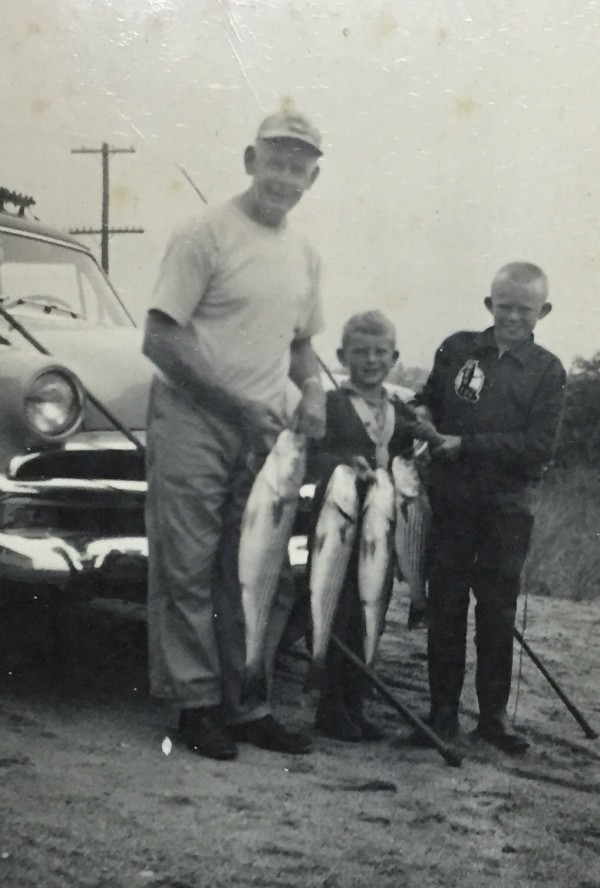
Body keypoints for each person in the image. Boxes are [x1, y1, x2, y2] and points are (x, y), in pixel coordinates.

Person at [142, 110, 327, 761]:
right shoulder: (204, 232)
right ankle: (196, 706)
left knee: (256, 570)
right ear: (251, 161)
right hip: (194, 418)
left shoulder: (305, 255)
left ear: (312, 177)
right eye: (275, 161)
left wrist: (315, 392)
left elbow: (300, 347)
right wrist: (236, 407)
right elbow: (159, 338)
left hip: (264, 434)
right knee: (187, 565)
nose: (285, 177)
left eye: (299, 166)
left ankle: (247, 704)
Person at [411, 262, 566, 753]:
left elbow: (538, 445)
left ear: (543, 311)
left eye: (525, 309)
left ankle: (494, 718)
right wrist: (422, 415)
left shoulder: (548, 370)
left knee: (497, 610)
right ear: (489, 304)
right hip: (450, 501)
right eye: (505, 306)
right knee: (446, 603)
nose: (513, 317)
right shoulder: (456, 348)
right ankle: (442, 712)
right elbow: (428, 400)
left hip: (507, 508)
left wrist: (467, 445)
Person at [306, 310, 428, 742]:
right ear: (342, 357)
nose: (371, 360)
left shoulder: (399, 410)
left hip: (381, 529)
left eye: (380, 352)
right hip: (339, 527)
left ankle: (355, 704)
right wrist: (341, 463)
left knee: (370, 609)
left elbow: (412, 453)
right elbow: (311, 455)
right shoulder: (331, 404)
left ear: (394, 357)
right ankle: (330, 708)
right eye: (360, 352)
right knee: (337, 612)